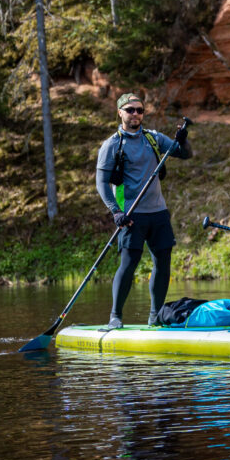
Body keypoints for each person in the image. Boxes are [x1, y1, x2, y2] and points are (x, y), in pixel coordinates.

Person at [96, 93, 193, 329]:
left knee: (163, 264)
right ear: (120, 112)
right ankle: (115, 316)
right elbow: (102, 183)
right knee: (129, 264)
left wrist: (183, 140)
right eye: (130, 110)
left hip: (158, 212)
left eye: (140, 110)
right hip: (131, 214)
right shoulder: (112, 145)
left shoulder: (153, 138)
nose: (136, 114)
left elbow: (184, 153)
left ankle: (155, 316)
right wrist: (115, 211)